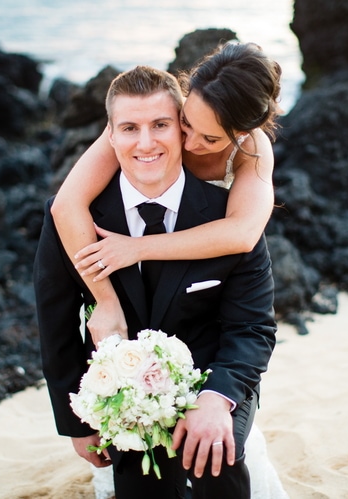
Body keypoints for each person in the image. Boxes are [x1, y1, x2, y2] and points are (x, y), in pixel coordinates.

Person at [34, 65, 276, 499]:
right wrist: (75, 423)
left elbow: (252, 326)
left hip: (212, 373)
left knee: (214, 459)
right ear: (110, 136)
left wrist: (218, 396)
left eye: (163, 125)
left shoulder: (235, 199)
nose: (147, 143)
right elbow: (55, 324)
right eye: (129, 128)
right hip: (124, 392)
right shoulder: (75, 219)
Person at [50, 42, 282, 347]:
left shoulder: (251, 148)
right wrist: (105, 299)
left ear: (239, 134)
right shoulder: (150, 124)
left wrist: (137, 248)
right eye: (186, 123)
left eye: (210, 139)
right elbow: (65, 205)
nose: (188, 144)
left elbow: (242, 233)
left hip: (203, 279)